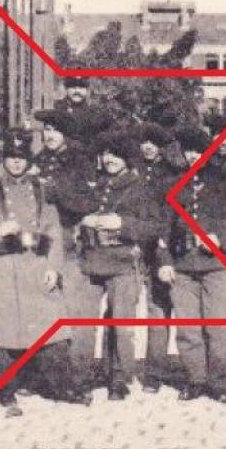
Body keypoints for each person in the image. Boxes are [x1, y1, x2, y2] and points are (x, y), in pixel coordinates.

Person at [0, 128, 78, 411]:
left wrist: (53, 267)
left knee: (51, 327)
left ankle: (60, 386)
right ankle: (6, 391)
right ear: (4, 159)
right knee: (3, 332)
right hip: (4, 267)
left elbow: (53, 229)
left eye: (21, 157)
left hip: (36, 263)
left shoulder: (40, 188)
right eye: (11, 157)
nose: (15, 163)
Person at [64, 130, 155, 400]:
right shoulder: (93, 184)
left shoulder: (140, 188)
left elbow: (154, 227)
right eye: (105, 154)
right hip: (91, 260)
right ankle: (81, 379)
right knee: (82, 321)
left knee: (120, 321)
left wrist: (123, 225)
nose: (109, 159)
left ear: (127, 158)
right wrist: (84, 220)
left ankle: (118, 378)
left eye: (115, 154)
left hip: (124, 262)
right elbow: (72, 209)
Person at [160, 124, 226, 402]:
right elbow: (164, 228)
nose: (194, 155)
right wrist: (164, 260)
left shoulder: (224, 180)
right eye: (189, 151)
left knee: (220, 326)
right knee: (188, 327)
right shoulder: (174, 183)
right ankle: (195, 380)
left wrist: (219, 238)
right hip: (183, 266)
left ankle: (218, 382)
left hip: (216, 266)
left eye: (200, 150)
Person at [33, 109, 104, 389]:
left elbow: (88, 203)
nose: (49, 135)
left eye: (54, 131)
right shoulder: (36, 161)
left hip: (70, 243)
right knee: (44, 310)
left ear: (65, 135)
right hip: (42, 244)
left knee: (78, 311)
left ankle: (80, 376)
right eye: (45, 131)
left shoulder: (80, 162)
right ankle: (47, 376)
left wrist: (53, 189)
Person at [136, 122, 179, 392]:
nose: (149, 146)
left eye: (154, 142)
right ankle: (146, 371)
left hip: (165, 246)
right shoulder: (134, 172)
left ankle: (157, 370)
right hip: (139, 245)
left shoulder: (173, 173)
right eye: (145, 141)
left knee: (162, 307)